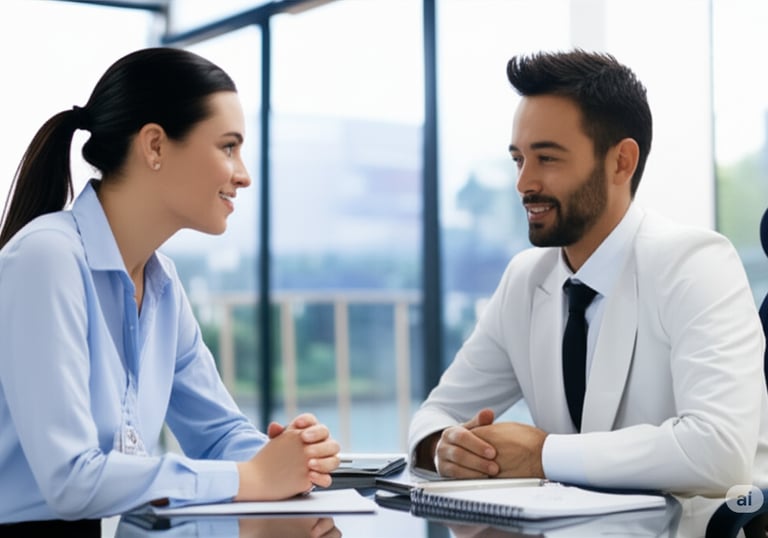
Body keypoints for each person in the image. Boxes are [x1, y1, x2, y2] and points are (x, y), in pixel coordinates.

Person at [0, 47, 340, 530]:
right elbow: (71, 480)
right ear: (155, 146)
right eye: (228, 147)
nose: (243, 175)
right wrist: (253, 477)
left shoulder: (162, 284)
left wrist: (289, 457)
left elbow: (217, 434)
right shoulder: (47, 259)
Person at [408, 49, 768, 495]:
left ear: (621, 162)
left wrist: (542, 455)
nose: (524, 183)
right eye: (519, 159)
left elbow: (720, 453)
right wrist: (445, 449)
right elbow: (437, 414)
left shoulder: (696, 263)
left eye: (547, 158)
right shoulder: (525, 279)